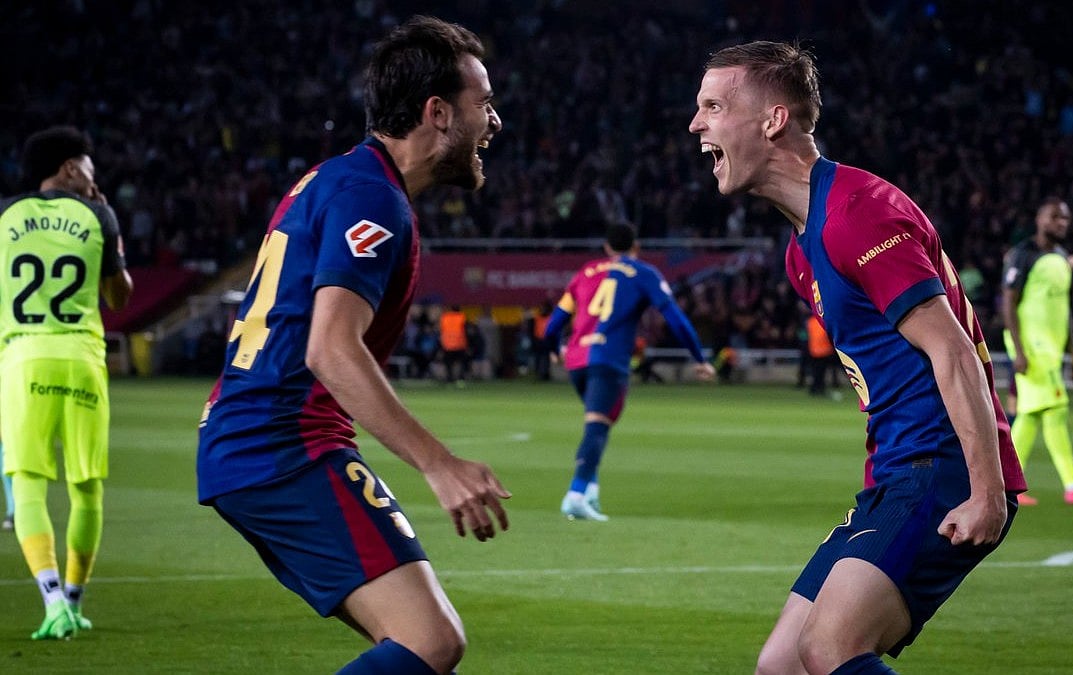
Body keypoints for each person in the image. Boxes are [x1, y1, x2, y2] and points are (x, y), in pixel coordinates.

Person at [688, 41, 1024, 674]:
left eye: (712, 106)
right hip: (895, 472)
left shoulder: (857, 214)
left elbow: (951, 349)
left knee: (831, 649)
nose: (695, 124)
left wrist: (986, 490)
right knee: (780, 667)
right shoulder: (801, 247)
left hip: (942, 466)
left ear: (772, 120)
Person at [195, 17, 510, 675]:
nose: (494, 121)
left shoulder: (341, 179)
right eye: (483, 104)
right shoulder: (372, 197)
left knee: (414, 639)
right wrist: (438, 462)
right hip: (282, 447)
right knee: (430, 640)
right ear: (437, 112)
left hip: (258, 441)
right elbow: (330, 349)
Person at [0, 125, 134, 639]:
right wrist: (107, 227)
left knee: (29, 485)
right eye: (89, 170)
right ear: (69, 169)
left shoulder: (6, 215)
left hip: (23, 359)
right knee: (85, 487)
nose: (93, 179)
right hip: (80, 356)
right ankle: (75, 604)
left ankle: (52, 602)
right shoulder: (98, 214)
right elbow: (119, 298)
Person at [543, 222, 716, 521]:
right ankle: (576, 494)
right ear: (636, 247)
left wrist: (553, 348)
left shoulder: (586, 273)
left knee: (600, 422)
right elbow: (675, 319)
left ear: (607, 248)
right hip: (608, 359)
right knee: (596, 425)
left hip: (577, 361)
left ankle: (591, 495)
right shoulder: (643, 273)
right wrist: (699, 357)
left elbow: (553, 324)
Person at [1001, 198, 1073, 507]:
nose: (1062, 222)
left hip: (1051, 347)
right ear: (1040, 219)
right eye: (1055, 216)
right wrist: (1018, 350)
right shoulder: (1023, 255)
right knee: (1056, 411)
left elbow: (1064, 311)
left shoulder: (1060, 256)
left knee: (1032, 415)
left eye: (1066, 217)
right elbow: (1008, 302)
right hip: (1031, 346)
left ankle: (1008, 484)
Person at [438, 304, 468, 386]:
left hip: (447, 344)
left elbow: (441, 330)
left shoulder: (445, 317)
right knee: (461, 363)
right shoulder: (461, 316)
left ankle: (449, 379)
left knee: (448, 364)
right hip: (459, 344)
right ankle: (460, 378)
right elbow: (465, 330)